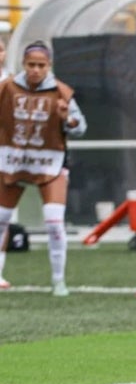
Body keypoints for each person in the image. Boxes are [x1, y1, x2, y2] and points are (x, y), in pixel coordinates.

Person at [0, 41, 87, 295]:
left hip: (50, 163)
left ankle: (58, 280)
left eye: (41, 65)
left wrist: (66, 119)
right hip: (15, 161)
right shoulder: (7, 88)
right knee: (1, 219)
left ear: (49, 66)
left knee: (54, 222)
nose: (35, 70)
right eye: (31, 65)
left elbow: (80, 127)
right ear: (23, 64)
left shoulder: (60, 91)